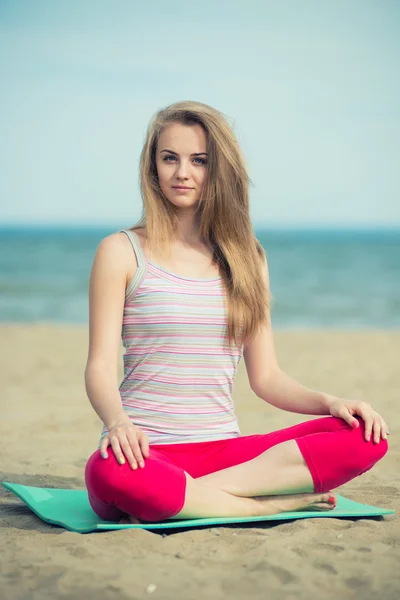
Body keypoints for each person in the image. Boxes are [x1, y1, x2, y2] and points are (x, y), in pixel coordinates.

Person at [84, 100, 389, 524]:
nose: (182, 172)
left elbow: (266, 379)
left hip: (226, 456)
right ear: (152, 166)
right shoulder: (120, 252)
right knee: (107, 473)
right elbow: (99, 366)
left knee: (363, 437)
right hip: (143, 453)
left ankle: (194, 497)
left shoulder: (247, 258)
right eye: (169, 158)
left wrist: (330, 401)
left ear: (218, 169)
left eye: (199, 160)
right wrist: (117, 423)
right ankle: (265, 505)